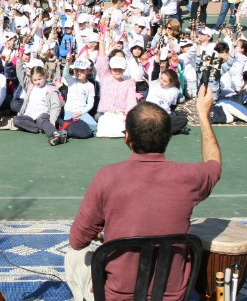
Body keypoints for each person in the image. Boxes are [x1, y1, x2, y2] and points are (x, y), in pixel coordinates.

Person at [64, 86, 221, 301]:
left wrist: (105, 234)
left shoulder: (106, 178)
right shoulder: (190, 177)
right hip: (172, 296)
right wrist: (203, 114)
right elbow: (214, 164)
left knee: (73, 256)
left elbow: (77, 241)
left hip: (117, 296)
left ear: (127, 138)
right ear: (167, 137)